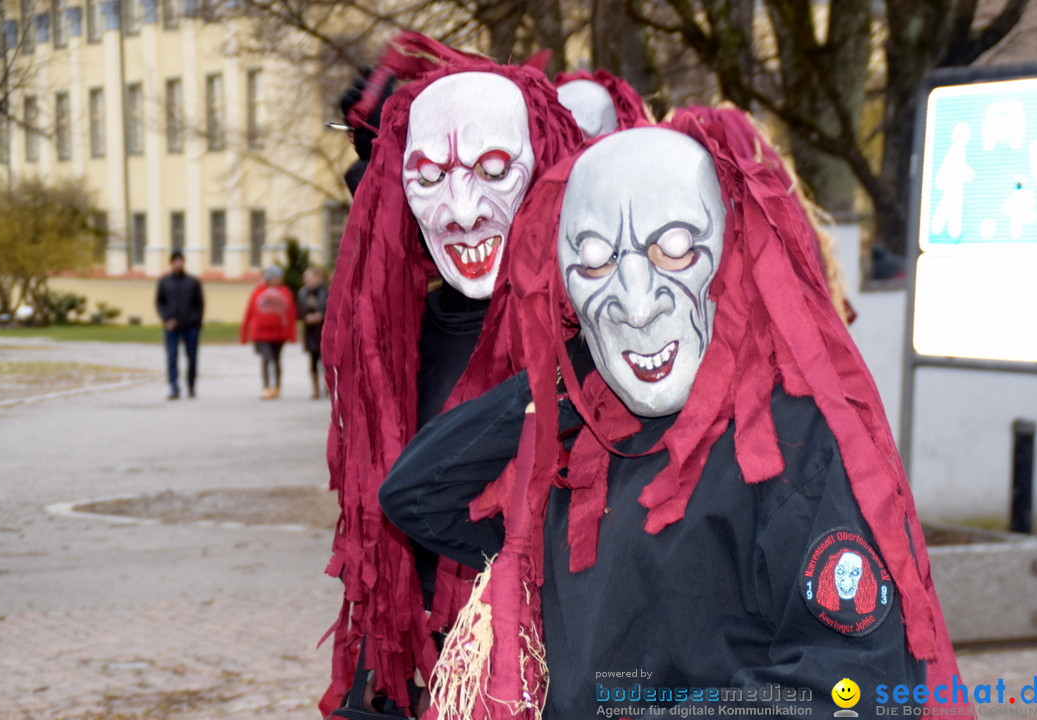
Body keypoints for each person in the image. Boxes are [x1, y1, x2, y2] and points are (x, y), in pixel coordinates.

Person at [380, 122, 970, 718]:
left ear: (730, 257)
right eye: (595, 261)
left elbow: (855, 687)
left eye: (675, 248)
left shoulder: (789, 439)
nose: (637, 302)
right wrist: (566, 367)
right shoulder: (572, 444)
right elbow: (417, 493)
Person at [318, 33, 583, 719]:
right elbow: (384, 536)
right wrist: (375, 687)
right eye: (430, 178)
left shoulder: (596, 345)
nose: (462, 210)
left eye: (495, 170)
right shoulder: (399, 339)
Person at [240, 265, 297, 400]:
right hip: (261, 333)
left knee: (277, 360)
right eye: (277, 277)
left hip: (279, 333)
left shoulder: (285, 291)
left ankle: (276, 387)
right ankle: (266, 387)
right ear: (270, 279)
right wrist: (244, 334)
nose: (280, 279)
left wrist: (292, 334)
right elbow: (249, 312)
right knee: (266, 358)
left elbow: (290, 314)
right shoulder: (258, 292)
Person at [155, 250, 204, 400]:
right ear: (171, 263)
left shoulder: (193, 282)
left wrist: (196, 322)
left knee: (192, 358)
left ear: (183, 262)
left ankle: (191, 385)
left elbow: (199, 304)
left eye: (180, 260)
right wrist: (166, 319)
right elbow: (159, 303)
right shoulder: (164, 282)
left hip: (190, 326)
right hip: (171, 326)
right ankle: (174, 388)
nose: (178, 263)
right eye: (175, 260)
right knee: (171, 357)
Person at [298, 267, 329, 399]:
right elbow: (299, 311)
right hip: (310, 331)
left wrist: (321, 316)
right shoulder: (303, 293)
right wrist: (306, 317)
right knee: (312, 360)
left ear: (318, 278)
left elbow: (333, 310)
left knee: (326, 361)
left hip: (325, 331)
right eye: (306, 278)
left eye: (310, 277)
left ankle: (328, 387)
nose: (307, 280)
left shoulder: (326, 292)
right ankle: (315, 390)